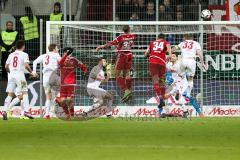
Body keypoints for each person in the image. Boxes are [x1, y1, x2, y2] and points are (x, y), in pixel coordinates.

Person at [96, 25, 136, 102]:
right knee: (127, 74)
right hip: (130, 55)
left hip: (122, 55)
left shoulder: (121, 37)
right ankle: (129, 91)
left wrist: (101, 46)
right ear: (129, 29)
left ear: (123, 30)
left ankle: (126, 90)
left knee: (117, 75)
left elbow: (111, 43)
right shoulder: (133, 36)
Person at [172, 34, 207, 117]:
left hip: (183, 60)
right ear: (192, 38)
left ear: (186, 37)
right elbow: (199, 53)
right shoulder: (196, 43)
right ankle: (188, 93)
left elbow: (174, 48)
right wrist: (203, 63)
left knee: (180, 75)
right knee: (191, 78)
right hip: (191, 60)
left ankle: (179, 90)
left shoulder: (182, 43)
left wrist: (169, 52)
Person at [2, 40, 37, 120]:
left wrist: (10, 73)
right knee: (25, 93)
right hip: (20, 76)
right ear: (23, 46)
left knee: (10, 95)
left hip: (11, 76)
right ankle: (26, 111)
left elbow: (6, 66)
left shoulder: (11, 55)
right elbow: (26, 65)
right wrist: (32, 72)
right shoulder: (24, 54)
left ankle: (4, 111)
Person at [56, 47, 87, 120]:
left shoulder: (74, 60)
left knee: (70, 100)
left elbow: (83, 66)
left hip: (71, 83)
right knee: (63, 101)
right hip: (63, 84)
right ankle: (67, 114)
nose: (68, 54)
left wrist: (85, 72)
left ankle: (72, 115)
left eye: (69, 52)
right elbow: (60, 63)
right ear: (63, 53)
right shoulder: (61, 59)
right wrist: (66, 55)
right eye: (66, 52)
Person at [145, 34, 172, 115]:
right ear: (163, 38)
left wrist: (148, 55)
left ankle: (160, 98)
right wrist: (169, 56)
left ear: (157, 38)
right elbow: (169, 52)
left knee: (155, 81)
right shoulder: (166, 42)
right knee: (162, 82)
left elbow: (146, 53)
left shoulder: (152, 43)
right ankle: (162, 99)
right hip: (162, 63)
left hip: (153, 62)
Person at [32, 43, 61, 119]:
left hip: (45, 77)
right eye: (57, 48)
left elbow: (35, 62)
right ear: (54, 49)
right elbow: (62, 62)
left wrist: (34, 72)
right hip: (53, 75)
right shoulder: (56, 55)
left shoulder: (44, 55)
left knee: (48, 97)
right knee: (60, 90)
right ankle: (57, 100)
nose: (58, 49)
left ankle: (47, 114)